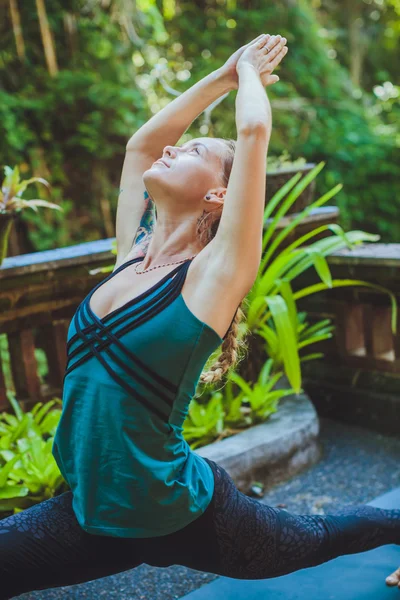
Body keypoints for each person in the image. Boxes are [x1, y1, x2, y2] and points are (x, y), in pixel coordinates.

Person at [1, 33, 399, 600]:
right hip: (93, 514)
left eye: (191, 153)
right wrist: (221, 76)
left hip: (185, 514)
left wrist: (251, 77)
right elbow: (143, 144)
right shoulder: (131, 255)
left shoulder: (214, 278)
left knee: (319, 537)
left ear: (218, 196)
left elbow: (253, 132)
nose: (171, 150)